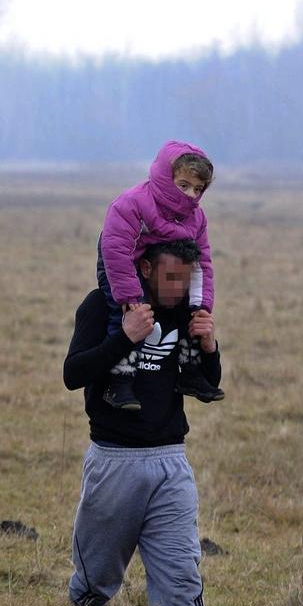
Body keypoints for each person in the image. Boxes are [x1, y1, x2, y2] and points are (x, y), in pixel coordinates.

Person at [62, 238, 221, 606]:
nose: (178, 289)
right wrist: (125, 337)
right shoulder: (102, 306)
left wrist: (209, 347)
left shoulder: (185, 311)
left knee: (181, 571)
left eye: (186, 280)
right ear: (145, 269)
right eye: (170, 277)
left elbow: (208, 382)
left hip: (170, 462)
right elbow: (72, 374)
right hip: (114, 462)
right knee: (95, 579)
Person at [97, 141, 221, 410]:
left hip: (166, 269)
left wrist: (201, 305)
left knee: (190, 315)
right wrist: (130, 296)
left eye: (198, 189)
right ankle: (118, 382)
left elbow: (202, 264)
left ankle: (191, 373)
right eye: (184, 185)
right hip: (121, 265)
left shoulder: (196, 218)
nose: (191, 195)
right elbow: (115, 248)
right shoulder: (131, 203)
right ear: (167, 176)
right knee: (128, 316)